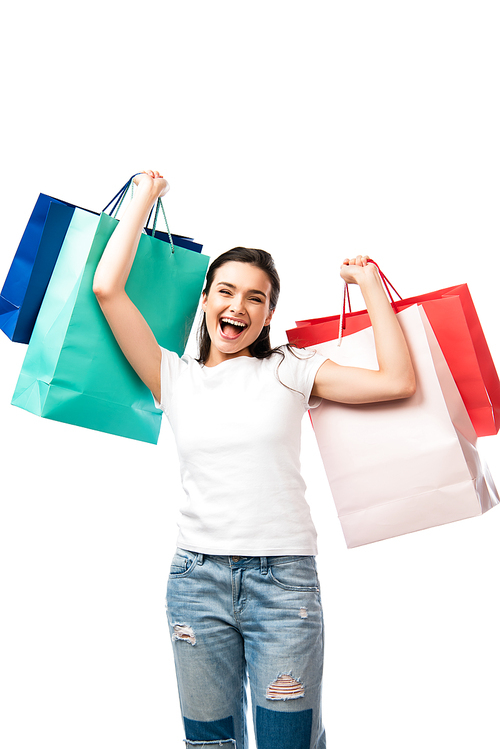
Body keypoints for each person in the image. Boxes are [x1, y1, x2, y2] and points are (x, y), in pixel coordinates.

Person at [93, 170, 416, 749]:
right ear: (206, 298)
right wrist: (144, 196)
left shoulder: (291, 369)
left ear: (268, 315)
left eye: (256, 298)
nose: (238, 306)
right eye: (226, 290)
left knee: (287, 741)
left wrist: (367, 283)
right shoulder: (173, 375)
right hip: (197, 582)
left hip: (283, 585)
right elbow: (107, 290)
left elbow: (395, 381)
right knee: (210, 743)